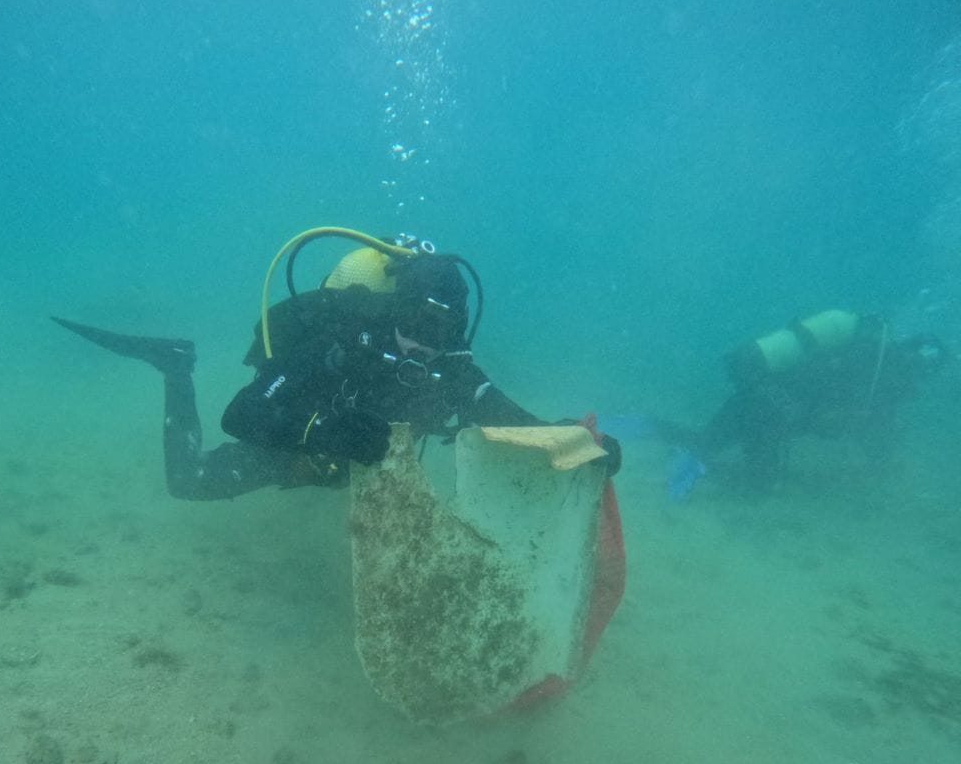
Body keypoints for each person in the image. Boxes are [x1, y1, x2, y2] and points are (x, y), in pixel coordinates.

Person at [53, 228, 621, 501]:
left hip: (342, 466)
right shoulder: (340, 339)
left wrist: (573, 442)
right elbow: (242, 414)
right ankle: (176, 365)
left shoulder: (449, 366)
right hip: (299, 441)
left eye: (444, 332)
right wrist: (322, 430)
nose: (426, 345)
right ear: (394, 312)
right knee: (189, 482)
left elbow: (505, 414)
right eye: (418, 324)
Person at [659, 309, 949, 494]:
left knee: (706, 440)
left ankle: (645, 429)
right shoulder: (876, 374)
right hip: (772, 411)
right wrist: (880, 461)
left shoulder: (866, 356)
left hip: (758, 391)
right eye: (919, 374)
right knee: (758, 484)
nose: (914, 385)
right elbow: (852, 422)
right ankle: (693, 467)